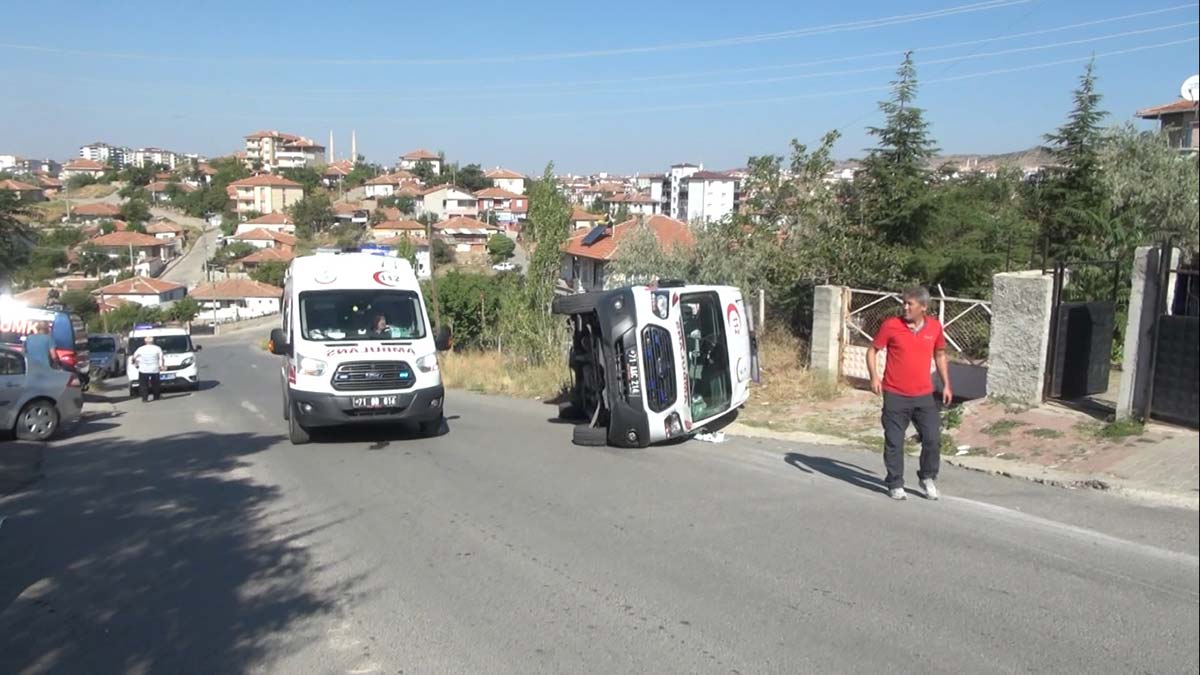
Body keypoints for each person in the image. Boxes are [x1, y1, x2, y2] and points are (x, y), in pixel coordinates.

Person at [866, 286, 953, 501]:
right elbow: (872, 350)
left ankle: (927, 478)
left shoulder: (934, 327)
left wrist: (946, 384)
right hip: (895, 394)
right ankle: (895, 483)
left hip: (924, 395)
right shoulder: (891, 325)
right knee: (895, 441)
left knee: (932, 438)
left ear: (923, 307)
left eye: (909, 304)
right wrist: (874, 377)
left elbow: (940, 355)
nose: (905, 307)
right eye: (903, 303)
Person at [131, 336, 165, 402]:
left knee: (144, 385)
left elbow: (134, 357)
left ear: (145, 341)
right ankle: (156, 397)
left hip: (143, 369)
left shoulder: (140, 349)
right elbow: (161, 358)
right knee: (155, 384)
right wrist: (161, 366)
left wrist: (136, 364)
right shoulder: (157, 348)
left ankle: (145, 398)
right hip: (154, 369)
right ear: (153, 341)